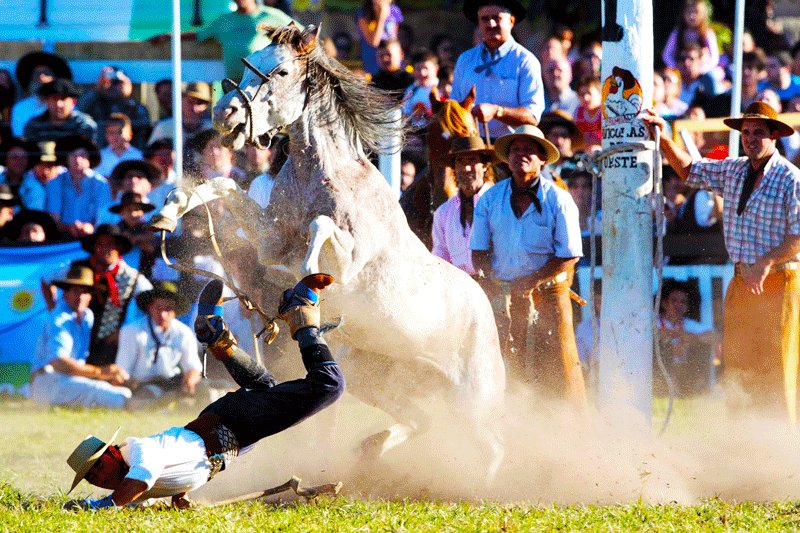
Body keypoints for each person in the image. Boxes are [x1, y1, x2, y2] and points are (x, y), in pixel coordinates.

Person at [64, 274, 344, 510]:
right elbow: (158, 475)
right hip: (225, 428)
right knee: (265, 388)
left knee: (329, 384)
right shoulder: (135, 470)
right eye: (92, 479)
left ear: (113, 452)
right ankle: (216, 338)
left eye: (97, 468)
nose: (98, 480)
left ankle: (302, 315)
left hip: (233, 427)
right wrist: (179, 490)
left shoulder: (138, 452)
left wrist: (101, 506)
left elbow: (140, 480)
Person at [642, 101, 800, 421]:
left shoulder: (790, 178)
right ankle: (742, 441)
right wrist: (664, 137)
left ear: (774, 136)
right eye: (745, 132)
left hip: (780, 281)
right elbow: (689, 171)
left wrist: (765, 262)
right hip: (742, 279)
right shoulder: (733, 169)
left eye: (758, 132)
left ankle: (781, 445)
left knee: (778, 364)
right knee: (738, 364)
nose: (750, 138)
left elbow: (798, 236)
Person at [470, 125, 585, 403]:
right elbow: (478, 250)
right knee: (504, 367)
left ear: (542, 159)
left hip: (550, 293)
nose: (521, 154)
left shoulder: (559, 198)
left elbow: (570, 253)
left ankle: (577, 430)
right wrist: (486, 281)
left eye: (528, 149)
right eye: (515, 149)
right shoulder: (489, 199)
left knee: (563, 366)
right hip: (504, 294)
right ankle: (513, 428)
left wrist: (532, 280)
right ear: (507, 158)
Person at [30, 264, 132, 409]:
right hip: (47, 381)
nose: (80, 296)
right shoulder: (60, 319)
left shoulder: (87, 317)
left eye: (85, 292)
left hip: (67, 380)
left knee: (122, 392)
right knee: (106, 394)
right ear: (65, 293)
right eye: (76, 291)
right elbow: (58, 362)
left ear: (90, 296)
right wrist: (101, 372)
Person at [451, 0, 544, 139]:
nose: (491, 24)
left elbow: (532, 117)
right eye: (485, 19)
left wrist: (496, 111)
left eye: (497, 18)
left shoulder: (525, 61)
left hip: (509, 149)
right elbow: (455, 108)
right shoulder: (465, 60)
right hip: (471, 148)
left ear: (511, 21)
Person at [148, 0, 297, 83]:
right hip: (234, 84)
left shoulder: (271, 15)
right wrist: (168, 36)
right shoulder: (224, 20)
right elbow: (199, 35)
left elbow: (299, 32)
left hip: (262, 83)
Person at [75, 224, 153, 366]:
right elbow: (47, 279)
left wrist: (125, 331)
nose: (105, 249)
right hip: (76, 333)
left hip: (108, 343)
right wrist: (53, 306)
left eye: (110, 245)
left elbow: (151, 303)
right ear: (94, 246)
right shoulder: (78, 267)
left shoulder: (131, 276)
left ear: (119, 248)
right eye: (100, 244)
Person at [116, 282, 202, 402]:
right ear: (150, 307)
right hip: (142, 387)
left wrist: (190, 381)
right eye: (158, 308)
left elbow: (193, 366)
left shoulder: (184, 333)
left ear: (175, 310)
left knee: (206, 390)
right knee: (150, 396)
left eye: (168, 309)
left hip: (173, 384)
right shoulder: (132, 331)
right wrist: (132, 384)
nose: (163, 314)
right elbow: (122, 371)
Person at [431, 136, 494, 275]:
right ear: (454, 168)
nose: (466, 168)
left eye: (472, 160)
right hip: (458, 289)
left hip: (495, 285)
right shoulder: (443, 212)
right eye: (460, 162)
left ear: (484, 166)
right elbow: (440, 257)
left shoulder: (499, 204)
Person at [655, 280, 720, 396]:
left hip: (685, 369)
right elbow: (653, 334)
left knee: (703, 347)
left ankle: (693, 392)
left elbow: (716, 337)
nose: (678, 305)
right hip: (661, 369)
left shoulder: (689, 324)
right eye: (673, 301)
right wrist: (671, 337)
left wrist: (693, 339)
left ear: (687, 307)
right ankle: (661, 391)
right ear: (664, 303)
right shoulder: (655, 322)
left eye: (683, 302)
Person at [45, 136, 110, 238]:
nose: (78, 159)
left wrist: (90, 228)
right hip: (62, 237)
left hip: (94, 237)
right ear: (66, 158)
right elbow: (54, 219)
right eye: (73, 155)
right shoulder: (54, 184)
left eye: (82, 155)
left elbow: (102, 218)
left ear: (90, 158)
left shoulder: (101, 184)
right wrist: (69, 227)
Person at [76, 67, 151, 149]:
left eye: (117, 82)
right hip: (100, 152)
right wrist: (98, 89)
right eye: (108, 82)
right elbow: (79, 110)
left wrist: (127, 95)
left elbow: (144, 123)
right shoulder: (94, 102)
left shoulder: (133, 106)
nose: (112, 86)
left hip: (128, 153)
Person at [11, 51, 72, 137]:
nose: (41, 77)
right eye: (37, 74)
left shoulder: (67, 106)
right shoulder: (20, 108)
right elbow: (20, 138)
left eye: (47, 73)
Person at [23, 79, 97, 144]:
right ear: (47, 101)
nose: (58, 104)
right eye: (54, 99)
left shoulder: (84, 124)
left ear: (73, 102)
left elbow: (87, 153)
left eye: (63, 99)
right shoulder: (34, 125)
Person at [661, 0, 719, 76]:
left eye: (696, 12)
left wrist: (700, 70)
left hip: (701, 73)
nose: (692, 16)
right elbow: (666, 55)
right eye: (689, 12)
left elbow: (714, 58)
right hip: (681, 71)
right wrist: (676, 68)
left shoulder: (707, 33)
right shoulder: (678, 33)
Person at [147, 83, 213, 146]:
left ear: (206, 106)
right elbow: (150, 154)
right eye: (190, 101)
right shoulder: (163, 128)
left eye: (200, 103)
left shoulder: (211, 131)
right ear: (182, 101)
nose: (194, 108)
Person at [111, 191, 159, 276]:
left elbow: (151, 248)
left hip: (143, 276)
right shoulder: (115, 230)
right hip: (117, 274)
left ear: (143, 212)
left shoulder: (149, 230)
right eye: (128, 210)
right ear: (121, 213)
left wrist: (135, 239)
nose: (133, 214)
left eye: (136, 209)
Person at [356, 0, 403, 76]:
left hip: (391, 58)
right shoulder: (364, 13)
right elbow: (374, 42)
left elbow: (394, 39)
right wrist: (381, 17)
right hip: (373, 59)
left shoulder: (394, 10)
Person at [94, 114, 144, 178]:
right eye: (111, 132)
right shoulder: (100, 156)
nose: (115, 136)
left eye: (120, 132)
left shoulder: (138, 156)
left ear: (130, 134)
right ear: (106, 136)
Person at [574, 77, 602, 150]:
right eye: (582, 94)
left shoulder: (606, 113)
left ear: (600, 94)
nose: (586, 98)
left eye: (589, 93)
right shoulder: (578, 113)